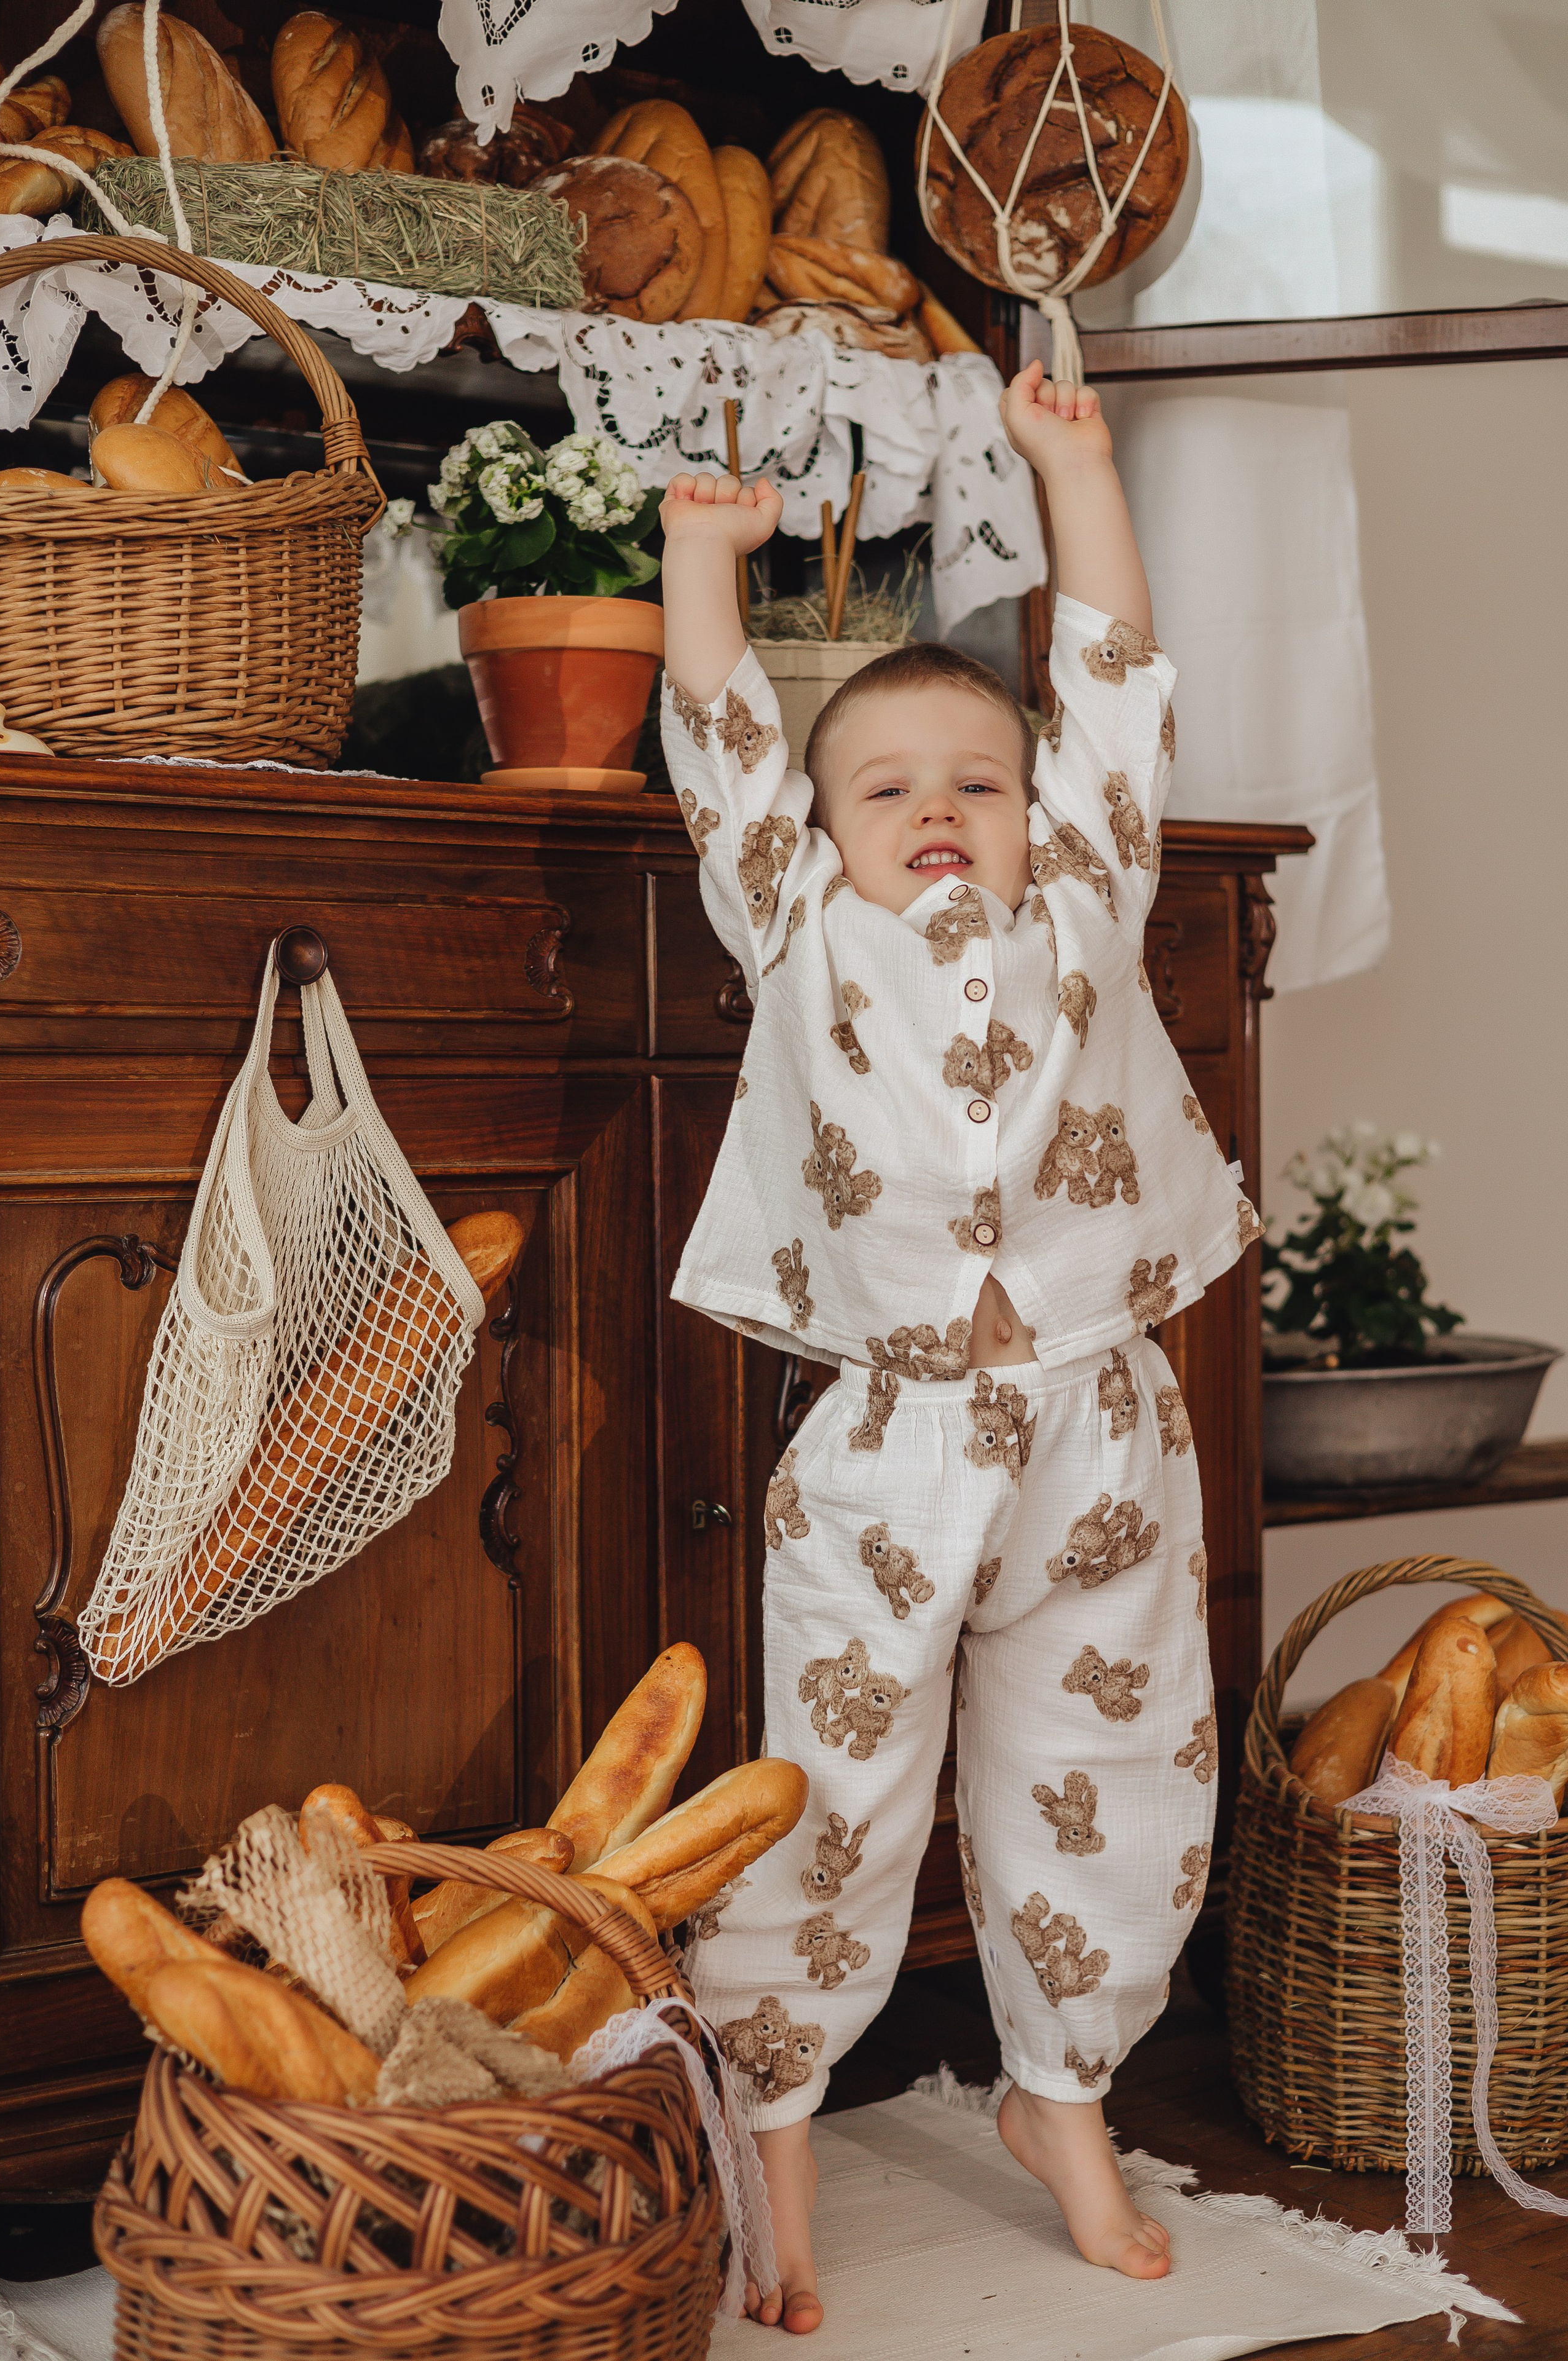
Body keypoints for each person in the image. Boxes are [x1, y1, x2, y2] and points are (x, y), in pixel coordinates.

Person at [658, 361, 1259, 2334]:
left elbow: (1111, 668)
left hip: (1102, 1420)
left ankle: (1063, 2090)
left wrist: (1071, 467)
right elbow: (724, 733)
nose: (937, 814)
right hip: (892, 1448)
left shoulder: (1094, 885)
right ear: (819, 837)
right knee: (831, 1789)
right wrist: (702, 563)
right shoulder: (797, 925)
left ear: (1038, 816)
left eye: (975, 786)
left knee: (1118, 1759)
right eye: (886, 790)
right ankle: (778, 2122)